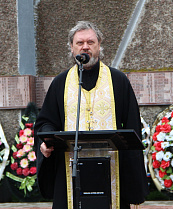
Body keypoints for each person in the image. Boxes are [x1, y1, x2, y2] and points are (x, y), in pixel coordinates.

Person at [34, 21, 149, 209]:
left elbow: (132, 126)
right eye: (80, 43)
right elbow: (46, 121)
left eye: (90, 42)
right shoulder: (60, 83)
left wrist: (133, 183)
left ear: (99, 45)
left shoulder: (118, 81)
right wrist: (46, 142)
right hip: (69, 168)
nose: (85, 47)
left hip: (112, 170)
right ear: (71, 48)